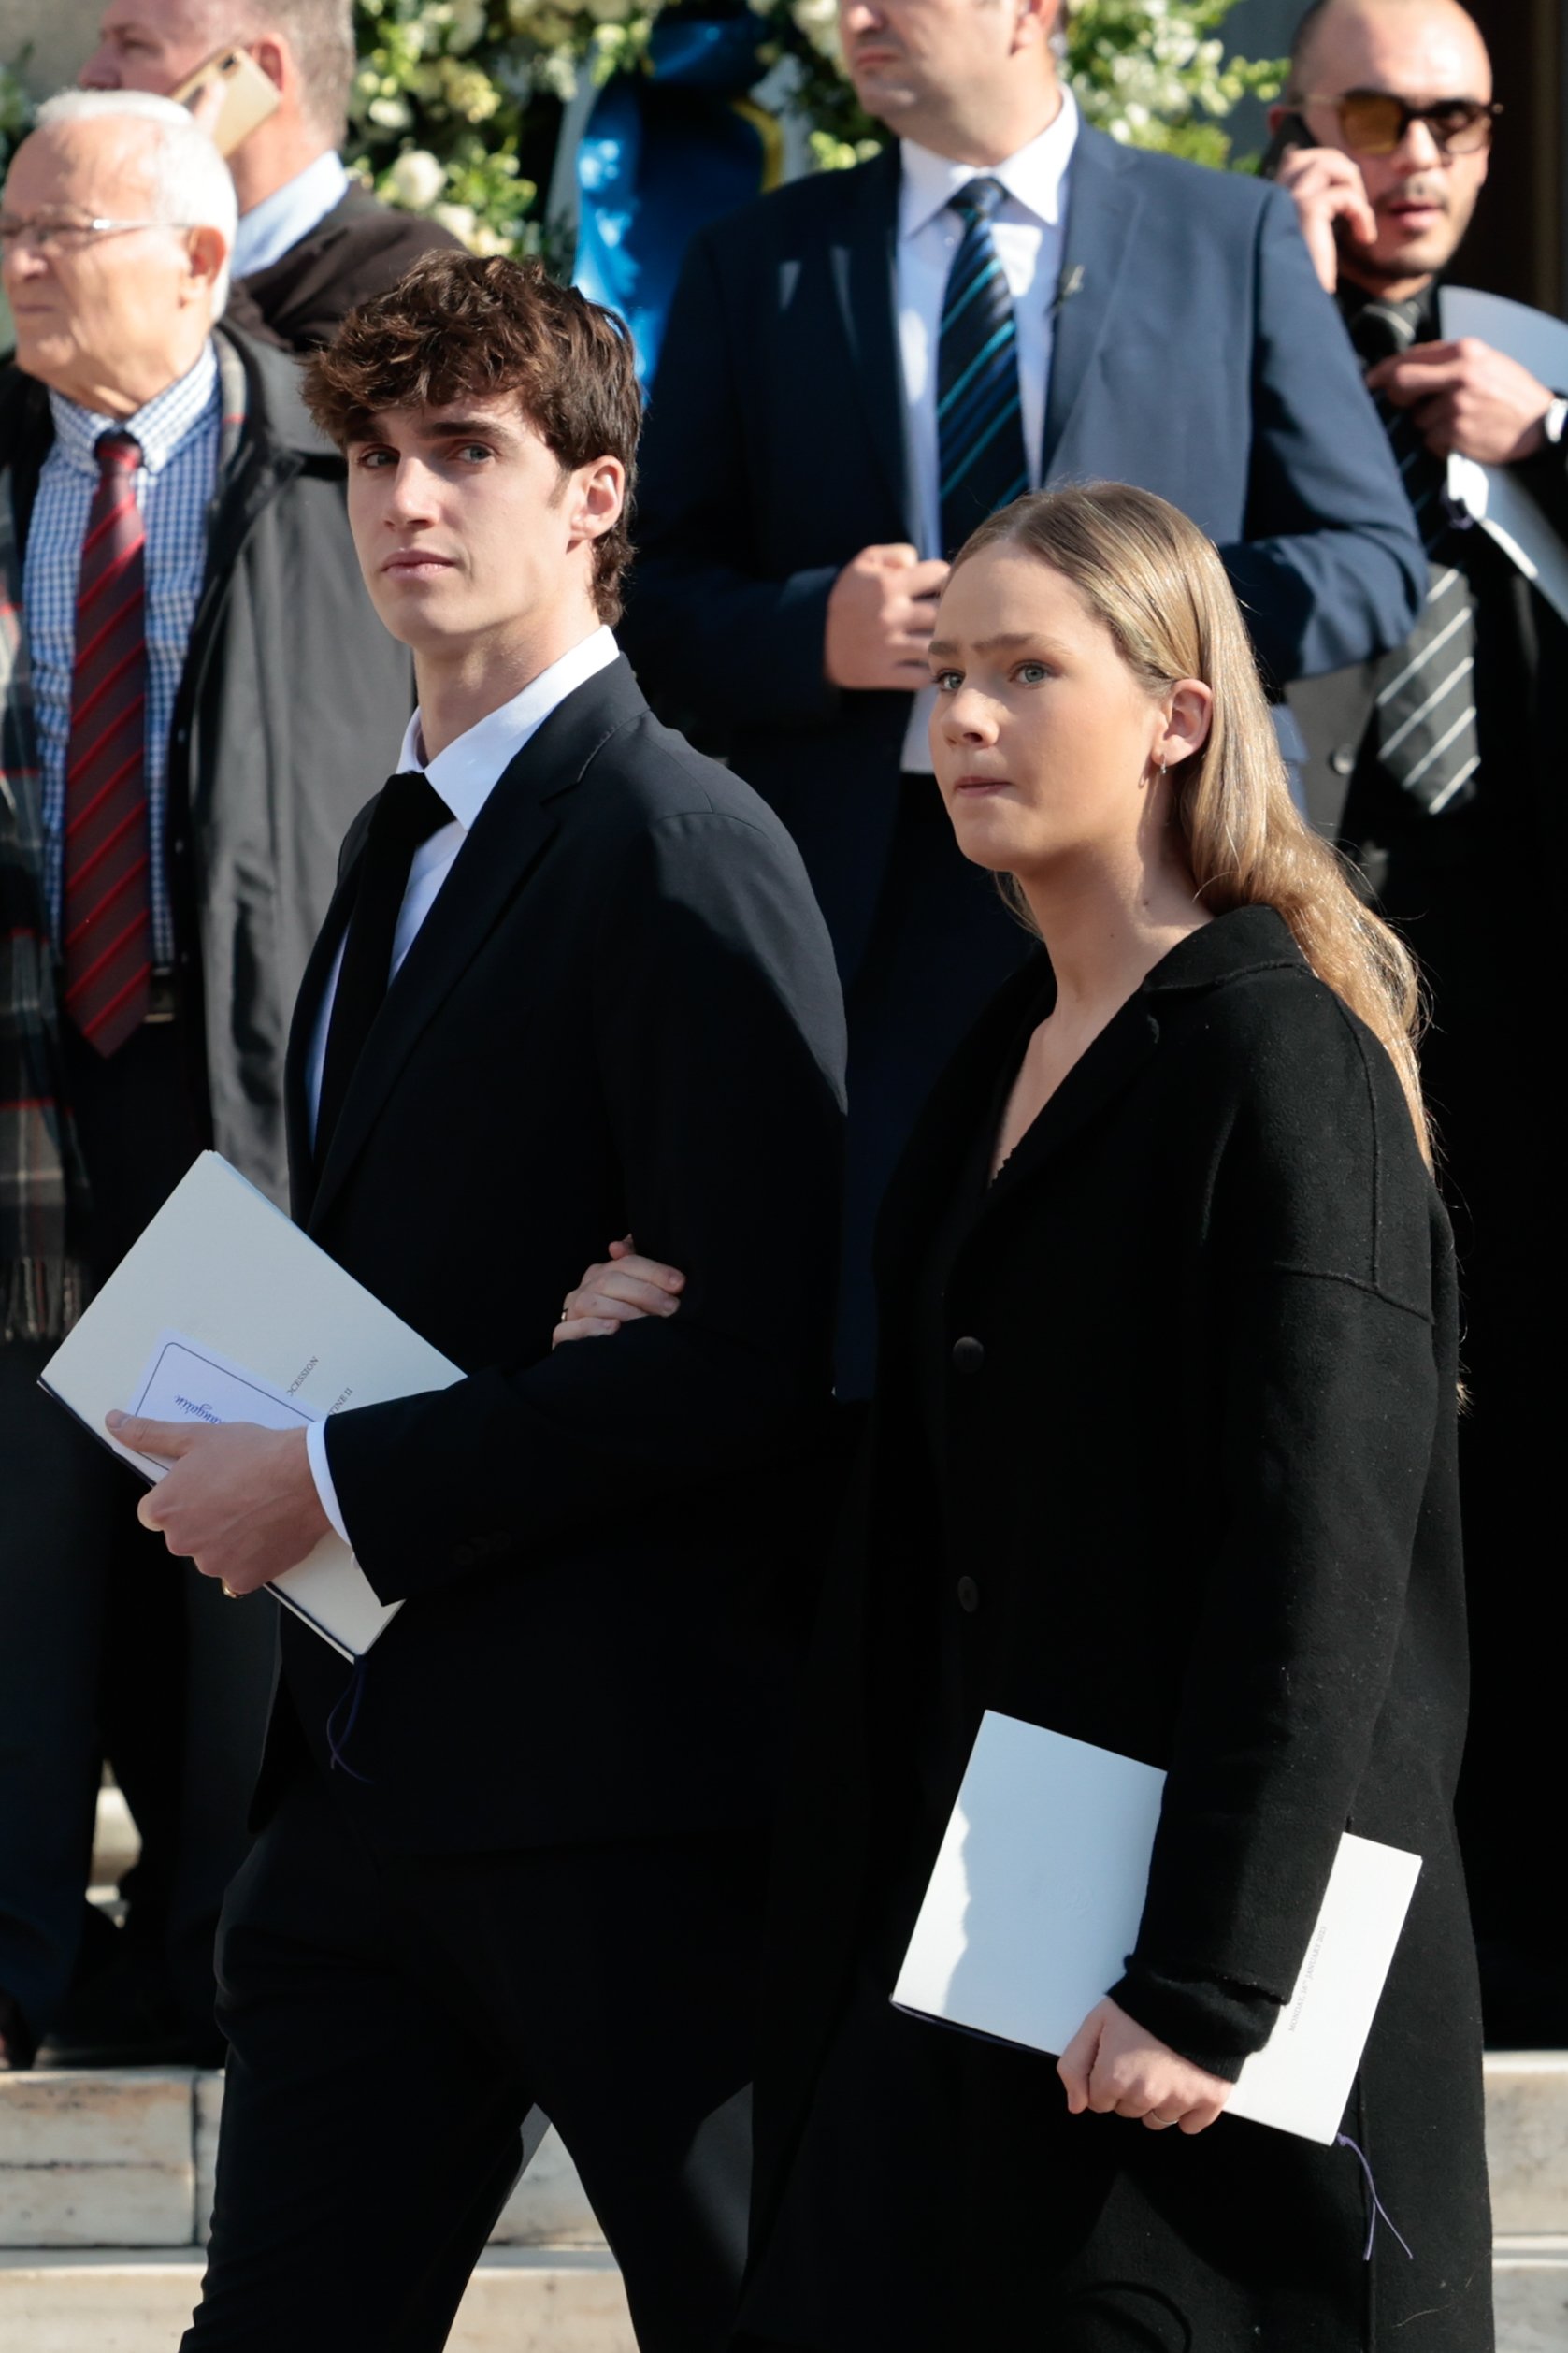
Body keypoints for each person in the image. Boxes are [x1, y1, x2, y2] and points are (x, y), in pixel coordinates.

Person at [566, 482, 1492, 2351]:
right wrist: (615, 1353)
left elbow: (1313, 1572)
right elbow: (952, 1497)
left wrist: (1206, 1985)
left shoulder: (1276, 1058)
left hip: (1190, 2055)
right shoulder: (1004, 1047)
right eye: (948, 673)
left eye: (1023, 673)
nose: (961, 721)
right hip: (986, 1977)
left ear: (1176, 715)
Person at [102, 248, 845, 2351]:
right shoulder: (392, 833)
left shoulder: (683, 844)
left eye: (469, 454)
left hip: (621, 1790)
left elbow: (747, 1356)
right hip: (372, 1791)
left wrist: (330, 1476)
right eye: (371, 459)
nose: (407, 501)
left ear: (594, 498)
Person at [622, 0, 1427, 1395]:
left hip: (1150, 886)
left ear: (1033, 11)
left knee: (1135, 1343)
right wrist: (808, 630)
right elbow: (655, 600)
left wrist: (1120, 631)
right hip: (862, 912)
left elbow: (1367, 561)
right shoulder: (757, 261)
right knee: (876, 1354)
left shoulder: (1220, 236)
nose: (849, 19)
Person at [0, 88, 411, 2073]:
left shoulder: (333, 468)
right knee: (28, 1550)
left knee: (244, 1571)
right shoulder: (6, 457)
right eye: (11, 230)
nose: (14, 265)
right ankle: (25, 1975)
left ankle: (228, 1963)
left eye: (50, 235)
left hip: (246, 1080)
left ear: (192, 260)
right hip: (31, 1088)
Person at [1270, 0, 1566, 2043]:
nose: (1419, 154)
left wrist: (1545, 444)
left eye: (1452, 117)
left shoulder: (1543, 363)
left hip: (1528, 1001)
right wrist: (1273, 326)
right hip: (1309, 974)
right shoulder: (1215, 318)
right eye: (1372, 114)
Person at [80, 0, 460, 351]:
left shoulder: (410, 278)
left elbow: (288, 418)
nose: (91, 75)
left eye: (134, 44)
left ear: (261, 72)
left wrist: (182, 228)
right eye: (103, 43)